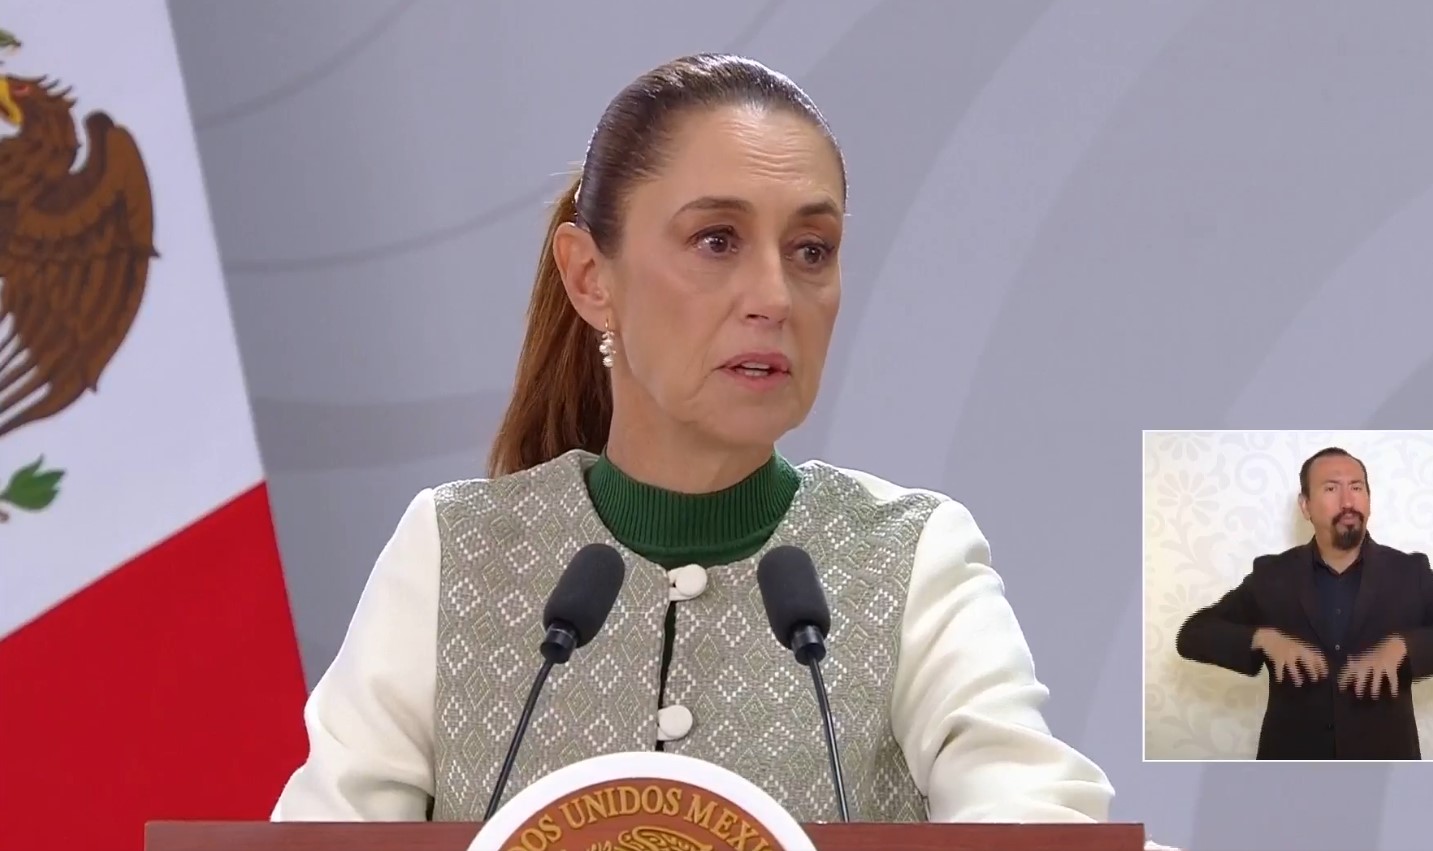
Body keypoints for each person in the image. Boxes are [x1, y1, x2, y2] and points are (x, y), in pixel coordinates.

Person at [269, 53, 1116, 825]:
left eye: (811, 249)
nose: (774, 296)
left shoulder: (908, 558)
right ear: (590, 277)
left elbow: (1036, 822)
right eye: (717, 240)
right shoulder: (455, 551)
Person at [1175, 446, 1433, 760]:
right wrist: (1264, 639)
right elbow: (1193, 634)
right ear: (1305, 506)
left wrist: (1404, 646)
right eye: (1331, 489)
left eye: (1356, 488)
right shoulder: (1272, 574)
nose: (1348, 501)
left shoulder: (1409, 572)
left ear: (1369, 500)